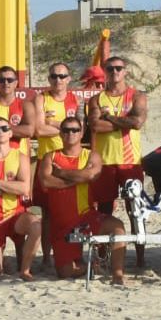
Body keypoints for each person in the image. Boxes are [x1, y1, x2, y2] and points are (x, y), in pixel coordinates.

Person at [38, 116, 127, 284]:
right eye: (66, 130)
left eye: (75, 130)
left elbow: (92, 175)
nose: (70, 133)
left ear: (81, 133)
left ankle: (117, 274)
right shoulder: (50, 157)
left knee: (117, 227)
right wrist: (79, 178)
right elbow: (46, 181)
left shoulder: (91, 156)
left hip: (86, 217)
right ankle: (92, 266)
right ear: (60, 134)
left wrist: (61, 173)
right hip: (62, 223)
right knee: (65, 272)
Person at [87, 56, 150, 268]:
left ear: (126, 71)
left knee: (136, 210)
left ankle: (140, 258)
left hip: (130, 161)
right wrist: (123, 121)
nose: (115, 72)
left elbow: (137, 122)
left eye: (119, 69)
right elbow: (95, 126)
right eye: (110, 69)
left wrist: (110, 118)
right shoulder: (96, 99)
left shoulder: (137, 96)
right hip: (104, 162)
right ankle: (103, 256)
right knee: (104, 211)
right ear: (105, 71)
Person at [25, 61, 80, 265]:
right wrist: (67, 129)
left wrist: (54, 124)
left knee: (70, 210)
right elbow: (38, 130)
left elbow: (80, 129)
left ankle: (69, 252)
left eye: (62, 76)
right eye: (54, 76)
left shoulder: (74, 99)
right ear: (48, 79)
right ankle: (47, 257)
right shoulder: (41, 99)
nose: (58, 80)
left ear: (69, 79)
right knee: (47, 213)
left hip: (70, 161)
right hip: (46, 160)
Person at [0, 117, 41, 280]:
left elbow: (24, 188)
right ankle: (2, 261)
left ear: (10, 133)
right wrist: (11, 187)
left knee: (36, 226)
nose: (0, 132)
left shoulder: (21, 157)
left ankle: (25, 270)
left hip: (15, 215)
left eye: (4, 128)